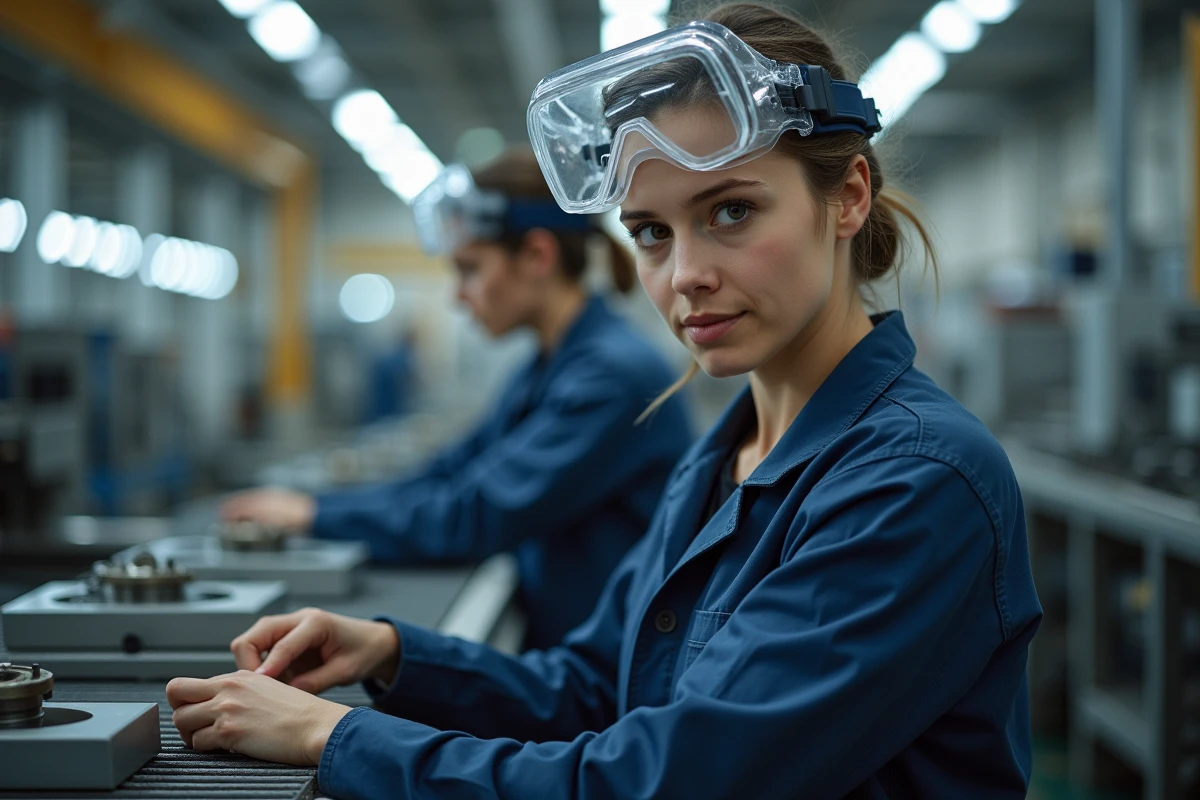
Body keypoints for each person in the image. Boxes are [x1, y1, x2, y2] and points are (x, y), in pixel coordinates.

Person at [170, 5, 1042, 797]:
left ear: (847, 197)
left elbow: (674, 782)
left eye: (731, 211)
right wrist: (397, 656)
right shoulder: (726, 456)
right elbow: (598, 686)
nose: (685, 275)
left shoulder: (914, 482)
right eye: (653, 233)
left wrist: (343, 740)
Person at [221, 151, 693, 650]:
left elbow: (475, 515)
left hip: (604, 669)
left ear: (537, 256)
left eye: (469, 268)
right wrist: (311, 507)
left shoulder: (610, 375)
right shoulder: (549, 367)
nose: (457, 296)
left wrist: (314, 518)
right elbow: (451, 471)